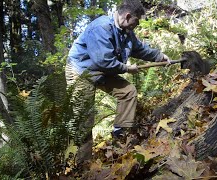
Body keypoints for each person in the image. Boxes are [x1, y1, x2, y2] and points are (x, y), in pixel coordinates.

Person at [65, 0, 170, 163]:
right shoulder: (101, 27)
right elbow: (103, 61)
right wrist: (127, 68)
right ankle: (80, 164)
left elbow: (139, 49)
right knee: (83, 119)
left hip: (103, 70)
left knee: (128, 92)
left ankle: (120, 137)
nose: (137, 24)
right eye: (136, 21)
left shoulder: (126, 31)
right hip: (81, 71)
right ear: (128, 16)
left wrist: (160, 56)